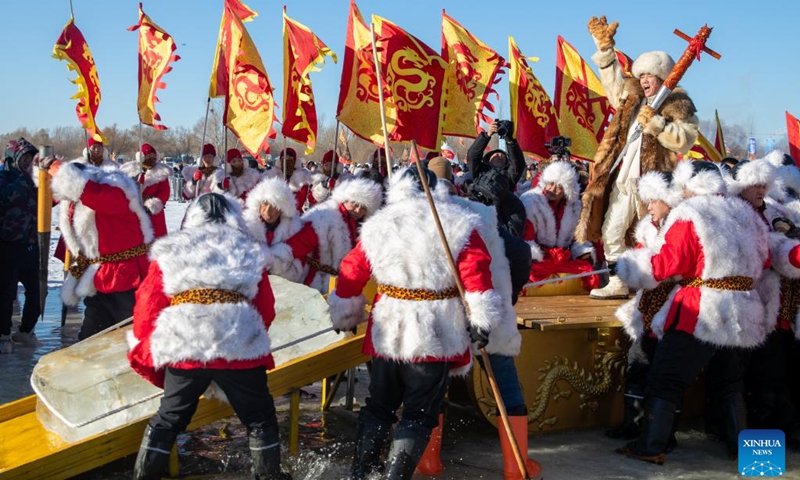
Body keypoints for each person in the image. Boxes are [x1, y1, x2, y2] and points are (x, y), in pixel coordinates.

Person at [328, 167, 518, 480]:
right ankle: (393, 477)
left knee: (379, 405)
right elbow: (476, 270)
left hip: (389, 327)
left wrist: (345, 311)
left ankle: (362, 472)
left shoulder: (379, 225)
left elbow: (352, 270)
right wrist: (480, 317)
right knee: (418, 413)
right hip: (436, 330)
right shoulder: (456, 223)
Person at [614, 161, 771, 464]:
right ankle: (746, 454)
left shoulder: (690, 213)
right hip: (743, 310)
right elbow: (764, 262)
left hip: (704, 309)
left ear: (690, 183)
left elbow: (665, 265)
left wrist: (627, 267)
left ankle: (651, 446)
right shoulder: (744, 213)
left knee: (665, 379)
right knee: (730, 385)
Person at [128, 193, 291, 480]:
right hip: (237, 344)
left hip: (186, 345)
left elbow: (147, 305)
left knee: (168, 419)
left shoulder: (170, 249)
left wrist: (148, 344)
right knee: (259, 418)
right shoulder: (248, 249)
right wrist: (248, 336)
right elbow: (266, 307)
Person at [421, 163, 540, 479]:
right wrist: (508, 296)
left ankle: (428, 459)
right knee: (505, 387)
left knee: (434, 388)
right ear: (456, 185)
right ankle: (516, 465)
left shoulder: (423, 219)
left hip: (443, 318)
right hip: (488, 312)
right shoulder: (479, 216)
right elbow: (520, 253)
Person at [577, 16, 699, 299]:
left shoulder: (678, 105)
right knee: (611, 230)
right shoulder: (631, 100)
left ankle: (651, 286)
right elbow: (612, 82)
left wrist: (656, 125)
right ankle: (619, 281)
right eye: (641, 75)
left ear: (662, 78)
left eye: (650, 76)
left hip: (654, 183)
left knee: (650, 235)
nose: (644, 80)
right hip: (622, 178)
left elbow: (684, 141)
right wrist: (605, 49)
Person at [609, 170, 683, 441]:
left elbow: (671, 266)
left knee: (664, 373)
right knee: (637, 364)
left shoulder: (682, 226)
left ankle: (662, 434)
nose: (649, 206)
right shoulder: (648, 228)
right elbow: (642, 258)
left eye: (653, 200)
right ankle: (634, 422)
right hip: (648, 308)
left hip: (675, 308)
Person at [726, 159, 796, 435]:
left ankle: (767, 444)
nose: (759, 189)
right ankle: (739, 440)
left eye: (763, 184)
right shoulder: (730, 214)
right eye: (753, 184)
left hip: (774, 309)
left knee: (772, 375)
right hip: (740, 305)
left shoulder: (775, 211)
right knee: (738, 376)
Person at [49, 156, 153, 340]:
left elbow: (94, 196)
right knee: (89, 339)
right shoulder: (84, 195)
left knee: (134, 337)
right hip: (99, 278)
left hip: (126, 278)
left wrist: (59, 170)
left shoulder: (117, 189)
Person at [273, 178, 382, 294]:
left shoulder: (363, 225)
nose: (358, 210)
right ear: (345, 198)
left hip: (342, 284)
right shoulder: (323, 218)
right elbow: (297, 246)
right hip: (318, 284)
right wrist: (274, 263)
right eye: (355, 204)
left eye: (364, 208)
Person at [520, 161, 599, 292]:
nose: (552, 189)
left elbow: (578, 238)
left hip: (564, 257)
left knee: (587, 271)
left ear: (567, 190)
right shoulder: (530, 201)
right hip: (539, 257)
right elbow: (527, 237)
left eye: (559, 186)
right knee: (531, 273)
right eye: (550, 183)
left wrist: (582, 253)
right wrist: (533, 256)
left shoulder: (576, 206)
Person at [0, 139, 41, 352]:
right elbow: (5, 198)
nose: (28, 163)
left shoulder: (36, 180)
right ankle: (4, 334)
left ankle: (25, 331)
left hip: (32, 244)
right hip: (9, 244)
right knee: (6, 293)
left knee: (37, 292)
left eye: (31, 159)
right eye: (24, 159)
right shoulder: (4, 178)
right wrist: (26, 178)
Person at [244, 178, 306, 283]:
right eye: (265, 204)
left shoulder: (292, 230)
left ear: (283, 209)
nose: (268, 212)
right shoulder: (246, 226)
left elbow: (298, 266)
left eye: (275, 206)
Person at [121, 143, 172, 238]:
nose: (151, 158)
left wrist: (152, 205)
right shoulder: (131, 171)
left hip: (154, 212)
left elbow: (164, 192)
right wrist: (136, 183)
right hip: (135, 209)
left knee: (156, 237)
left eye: (153, 155)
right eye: (148, 155)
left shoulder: (161, 172)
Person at [276, 148, 312, 213]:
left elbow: (299, 201)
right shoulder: (274, 176)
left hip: (294, 215)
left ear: (295, 161)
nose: (286, 161)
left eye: (290, 159)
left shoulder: (302, 178)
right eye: (283, 158)